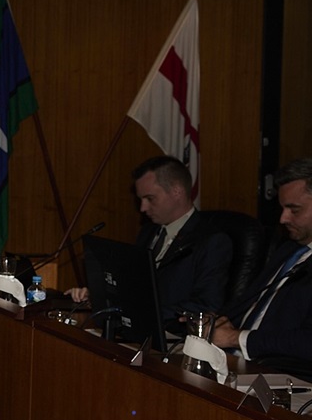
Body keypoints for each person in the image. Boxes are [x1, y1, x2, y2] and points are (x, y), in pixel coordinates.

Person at [68, 156, 231, 330]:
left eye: (150, 199)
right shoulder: (149, 232)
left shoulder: (211, 240)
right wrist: (99, 296)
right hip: (135, 329)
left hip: (174, 336)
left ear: (177, 191)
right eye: (141, 200)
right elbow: (131, 284)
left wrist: (138, 311)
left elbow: (206, 306)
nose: (142, 208)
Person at [211, 158, 312, 377]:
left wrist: (235, 337)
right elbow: (252, 305)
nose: (283, 218)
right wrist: (217, 322)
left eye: (294, 209)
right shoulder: (289, 249)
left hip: (283, 377)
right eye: (282, 208)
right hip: (235, 363)